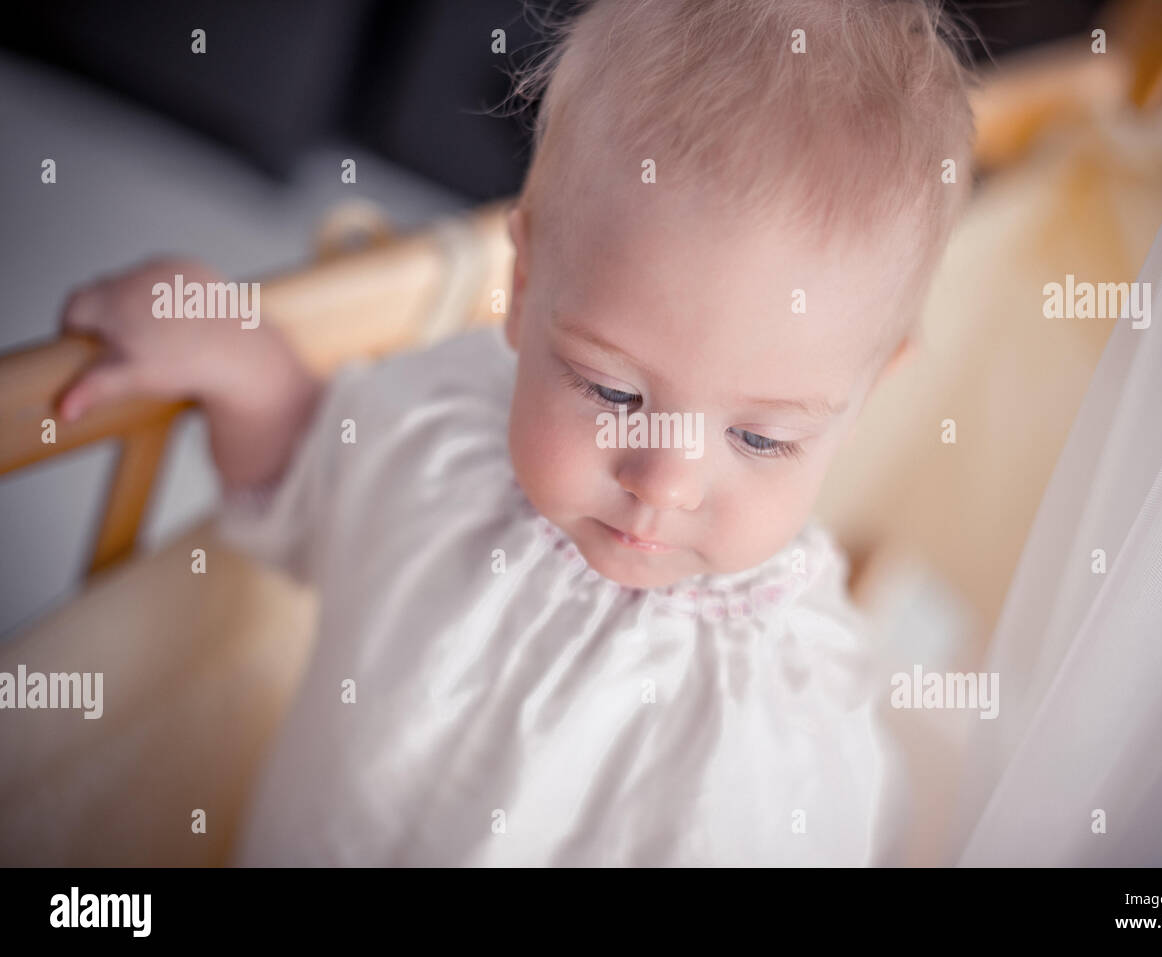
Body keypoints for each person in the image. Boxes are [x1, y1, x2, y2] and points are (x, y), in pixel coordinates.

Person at [56, 0, 977, 865]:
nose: (664, 481)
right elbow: (308, 481)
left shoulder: (788, 708)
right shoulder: (444, 428)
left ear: (866, 398)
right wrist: (244, 363)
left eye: (762, 440)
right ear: (525, 285)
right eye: (610, 390)